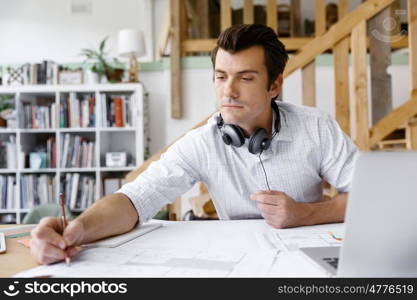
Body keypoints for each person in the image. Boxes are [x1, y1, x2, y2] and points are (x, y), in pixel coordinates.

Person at [30, 24, 357, 265]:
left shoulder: (316, 126)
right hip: (244, 264)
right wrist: (76, 230)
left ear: (274, 85)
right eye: (220, 76)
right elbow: (134, 199)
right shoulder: (202, 142)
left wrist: (305, 214)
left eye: (245, 78)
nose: (228, 91)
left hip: (308, 263)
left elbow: (370, 197)